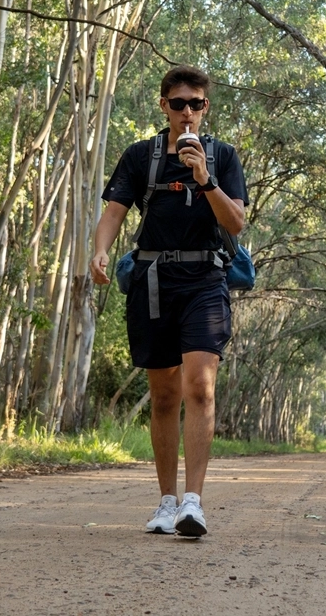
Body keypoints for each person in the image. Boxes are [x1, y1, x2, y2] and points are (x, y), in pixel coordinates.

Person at [90, 65, 247, 538]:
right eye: (177, 103)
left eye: (195, 104)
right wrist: (99, 250)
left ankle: (193, 503)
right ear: (164, 106)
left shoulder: (222, 156)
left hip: (205, 280)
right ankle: (165, 501)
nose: (186, 112)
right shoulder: (140, 156)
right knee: (163, 396)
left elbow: (236, 223)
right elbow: (114, 211)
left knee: (200, 387)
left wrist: (204, 177)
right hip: (154, 281)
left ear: (205, 108)